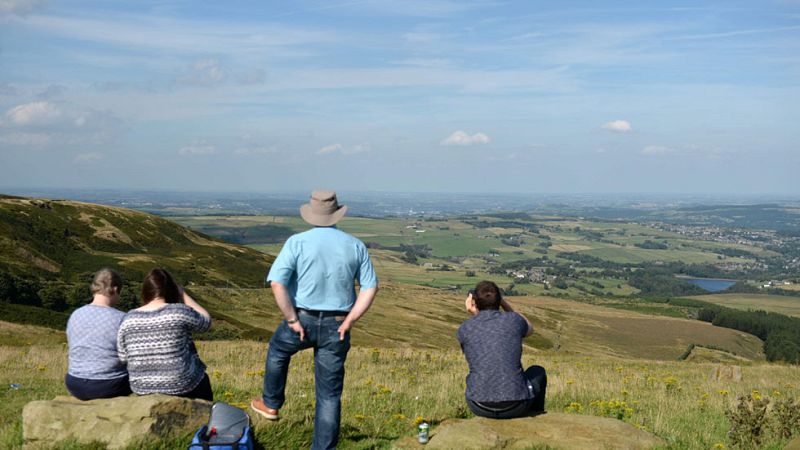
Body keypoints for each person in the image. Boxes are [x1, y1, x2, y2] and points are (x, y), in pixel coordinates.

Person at [250, 190, 379, 450]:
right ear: (336, 213)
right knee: (329, 395)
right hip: (338, 325)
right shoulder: (355, 244)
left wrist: (292, 320)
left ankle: (271, 403)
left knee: (277, 350)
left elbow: (277, 283)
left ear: (311, 213)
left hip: (303, 318)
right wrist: (350, 320)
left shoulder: (297, 242)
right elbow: (370, 287)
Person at [116, 268, 213, 401]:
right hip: (181, 384)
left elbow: (122, 357)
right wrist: (183, 294)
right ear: (172, 290)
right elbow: (206, 322)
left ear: (145, 291)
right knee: (203, 378)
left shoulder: (128, 319)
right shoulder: (179, 312)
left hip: (141, 387)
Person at [457, 280, 547, 419]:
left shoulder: (464, 328)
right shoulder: (514, 321)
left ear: (474, 302)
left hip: (478, 405)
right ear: (498, 301)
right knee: (537, 371)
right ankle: (534, 416)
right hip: (517, 406)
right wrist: (503, 303)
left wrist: (476, 314)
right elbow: (529, 329)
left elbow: (484, 330)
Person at [65, 268, 132, 400]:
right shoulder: (122, 318)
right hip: (108, 385)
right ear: (115, 289)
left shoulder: (75, 314)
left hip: (74, 383)